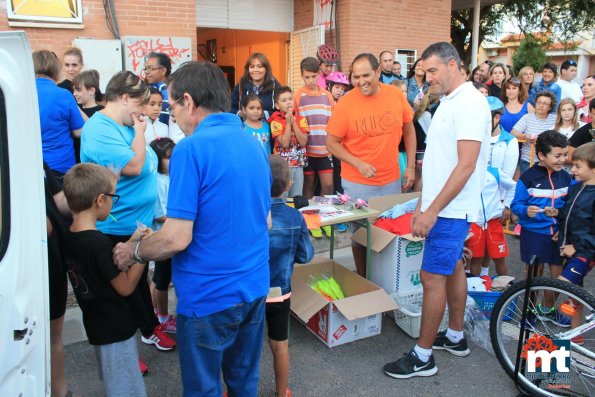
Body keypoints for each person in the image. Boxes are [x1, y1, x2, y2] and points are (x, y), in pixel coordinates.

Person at [112, 61, 271, 397]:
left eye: (172, 106)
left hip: (209, 296)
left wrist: (134, 251)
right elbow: (265, 220)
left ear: (189, 101)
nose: (173, 116)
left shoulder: (190, 149)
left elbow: (176, 237)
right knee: (244, 383)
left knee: (203, 389)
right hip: (255, 286)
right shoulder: (254, 145)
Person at [383, 42, 490, 379]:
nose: (426, 77)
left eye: (433, 70)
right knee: (454, 268)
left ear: (455, 65)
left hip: (451, 209)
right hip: (442, 206)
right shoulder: (448, 100)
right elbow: (439, 161)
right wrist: (421, 203)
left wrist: (433, 211)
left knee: (431, 278)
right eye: (424, 72)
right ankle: (456, 336)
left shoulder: (470, 103)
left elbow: (466, 166)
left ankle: (423, 356)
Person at [81, 71, 176, 361]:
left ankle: (147, 329)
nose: (144, 111)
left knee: (136, 282)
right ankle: (125, 349)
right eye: (140, 103)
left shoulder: (123, 123)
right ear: (123, 98)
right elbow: (134, 166)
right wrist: (138, 133)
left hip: (137, 222)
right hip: (116, 223)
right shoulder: (101, 128)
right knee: (120, 290)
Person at [326, 53, 416, 277]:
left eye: (366, 75)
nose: (361, 81)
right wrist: (358, 163)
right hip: (358, 183)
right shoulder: (346, 102)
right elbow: (331, 143)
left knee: (388, 231)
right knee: (361, 235)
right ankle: (365, 278)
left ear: (378, 72)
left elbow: (409, 128)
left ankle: (386, 277)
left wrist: (411, 166)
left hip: (391, 179)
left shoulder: (395, 95)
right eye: (355, 77)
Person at [63, 163, 148, 397]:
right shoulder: (98, 244)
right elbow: (126, 287)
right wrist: (140, 253)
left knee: (114, 383)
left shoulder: (70, 236)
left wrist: (131, 240)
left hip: (97, 325)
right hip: (116, 329)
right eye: (113, 196)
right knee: (126, 389)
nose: (113, 201)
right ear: (100, 200)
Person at [511, 130, 572, 326]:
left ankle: (547, 310)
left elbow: (570, 206)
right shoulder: (528, 177)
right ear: (542, 156)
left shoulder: (566, 177)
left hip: (558, 235)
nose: (562, 160)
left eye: (564, 155)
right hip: (534, 234)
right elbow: (515, 205)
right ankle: (528, 312)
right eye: (557, 156)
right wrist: (526, 210)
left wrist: (562, 227)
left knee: (557, 278)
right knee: (533, 276)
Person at [266, 155, 314, 397]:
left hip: (249, 290)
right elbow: (306, 256)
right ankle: (280, 391)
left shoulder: (250, 213)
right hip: (279, 292)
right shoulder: (295, 217)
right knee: (280, 343)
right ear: (288, 185)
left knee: (244, 344)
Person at [465, 97, 517, 277]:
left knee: (495, 251)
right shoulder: (475, 137)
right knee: (476, 253)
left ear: (496, 118)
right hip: (477, 209)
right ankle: (480, 281)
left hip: (496, 202)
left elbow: (508, 177)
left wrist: (505, 204)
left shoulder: (509, 141)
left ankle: (501, 287)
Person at [43, 162, 73, 397]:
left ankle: (60, 393)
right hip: (26, 267)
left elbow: (59, 200)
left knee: (54, 336)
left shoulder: (33, 156)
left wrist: (89, 196)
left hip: (53, 260)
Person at [33, 50, 84, 179]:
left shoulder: (19, 94)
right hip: (61, 166)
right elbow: (79, 131)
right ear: (56, 69)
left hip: (30, 164)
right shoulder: (64, 95)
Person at [294, 57, 335, 198]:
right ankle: (308, 216)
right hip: (307, 151)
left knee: (328, 185)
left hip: (325, 150)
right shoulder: (298, 96)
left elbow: (333, 121)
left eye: (313, 76)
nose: (310, 80)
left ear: (319, 74)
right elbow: (296, 121)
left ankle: (326, 216)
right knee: (308, 184)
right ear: (302, 76)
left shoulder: (327, 95)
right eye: (307, 77)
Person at [149, 137, 177, 334]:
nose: (172, 161)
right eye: (168, 158)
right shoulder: (159, 181)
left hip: (171, 235)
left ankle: (157, 311)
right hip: (164, 238)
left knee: (160, 279)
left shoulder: (171, 177)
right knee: (162, 280)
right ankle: (164, 317)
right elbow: (159, 215)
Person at [269, 86, 309, 198]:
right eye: (284, 100)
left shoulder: (301, 119)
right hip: (282, 167)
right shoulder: (275, 122)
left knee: (297, 196)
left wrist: (294, 123)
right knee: (283, 197)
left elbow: (303, 142)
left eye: (290, 99)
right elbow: (285, 144)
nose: (288, 102)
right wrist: (287, 123)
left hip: (298, 165)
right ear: (277, 106)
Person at [511, 91, 557, 173]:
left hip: (548, 162)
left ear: (550, 107)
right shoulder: (527, 118)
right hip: (528, 161)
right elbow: (513, 133)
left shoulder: (555, 119)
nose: (541, 105)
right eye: (539, 102)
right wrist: (525, 136)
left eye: (545, 103)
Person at [231, 52, 282, 119]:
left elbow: (282, 110)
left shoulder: (276, 87)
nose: (255, 70)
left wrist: (265, 114)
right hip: (244, 128)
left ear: (266, 69)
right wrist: (240, 114)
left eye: (259, 66)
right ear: (248, 69)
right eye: (252, 67)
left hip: (269, 128)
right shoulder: (240, 86)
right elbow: (229, 108)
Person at [72, 70, 104, 162]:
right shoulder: (74, 110)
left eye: (78, 90)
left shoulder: (102, 111)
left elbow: (94, 130)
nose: (74, 94)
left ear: (91, 90)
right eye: (74, 90)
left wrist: (75, 107)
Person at [144, 52, 172, 125]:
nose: (146, 72)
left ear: (163, 71)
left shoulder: (167, 91)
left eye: (150, 68)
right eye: (145, 68)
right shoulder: (149, 88)